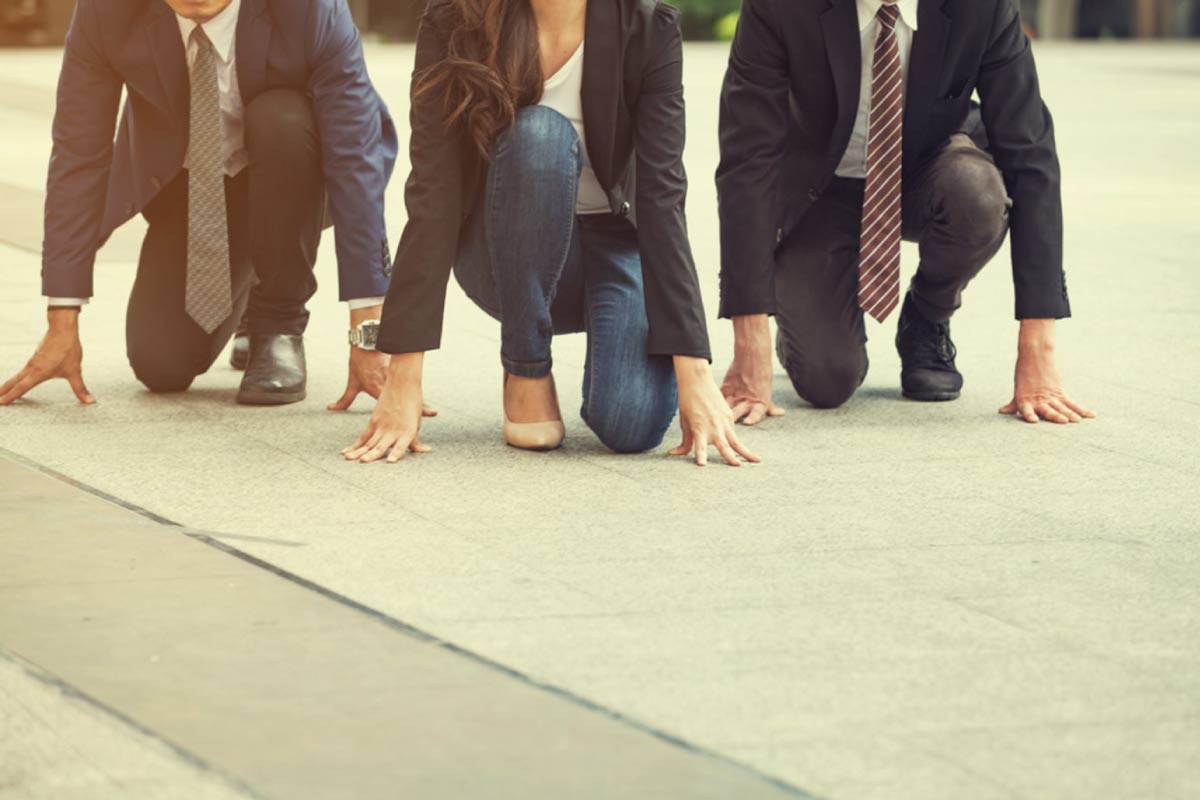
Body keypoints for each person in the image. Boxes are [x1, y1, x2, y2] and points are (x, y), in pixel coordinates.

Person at [343, 0, 757, 466]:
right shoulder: (457, 22)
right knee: (539, 134)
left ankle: (601, 349)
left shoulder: (648, 26)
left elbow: (662, 195)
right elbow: (433, 194)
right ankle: (526, 364)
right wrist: (404, 374)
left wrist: (694, 368)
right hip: (504, 250)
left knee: (632, 424)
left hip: (613, 242)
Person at [0, 0, 397, 408]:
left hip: (293, 169)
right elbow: (78, 153)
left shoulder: (310, 8)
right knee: (160, 365)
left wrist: (367, 333)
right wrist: (62, 319)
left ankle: (278, 321)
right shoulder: (107, 10)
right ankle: (246, 285)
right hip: (194, 188)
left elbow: (354, 156)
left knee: (281, 119)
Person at [715, 0, 1096, 426]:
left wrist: (1038, 348)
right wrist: (749, 341)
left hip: (927, 172)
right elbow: (747, 159)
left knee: (979, 195)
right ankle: (805, 308)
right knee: (827, 380)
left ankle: (927, 315)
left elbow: (1030, 154)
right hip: (819, 189)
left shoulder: (983, 6)